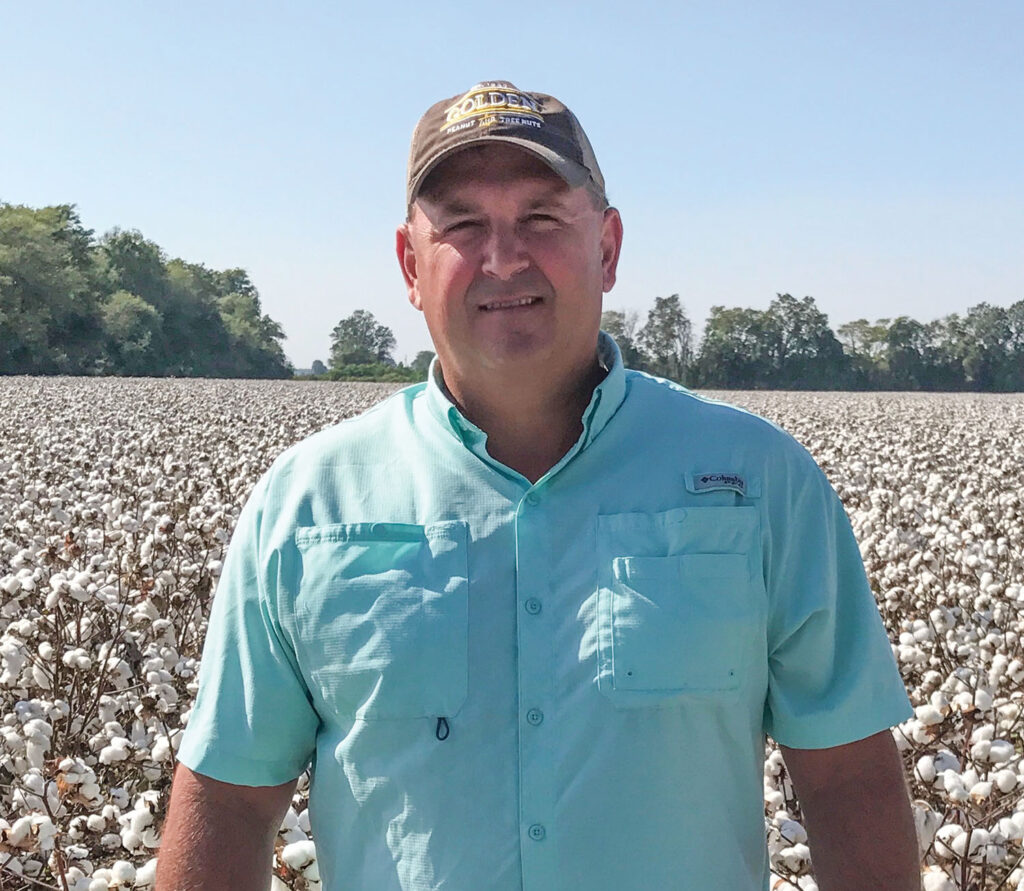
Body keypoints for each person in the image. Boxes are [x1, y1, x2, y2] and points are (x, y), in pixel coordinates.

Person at [156, 80, 918, 890]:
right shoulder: (308, 503)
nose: (504, 258)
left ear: (608, 248)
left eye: (542, 218)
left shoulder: (761, 481)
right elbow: (229, 800)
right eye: (463, 225)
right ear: (411, 264)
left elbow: (847, 778)